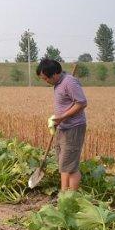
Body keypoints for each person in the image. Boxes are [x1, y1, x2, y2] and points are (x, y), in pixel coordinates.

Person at [36, 59, 88, 191]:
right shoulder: (59, 83)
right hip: (62, 127)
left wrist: (62, 117)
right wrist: (57, 119)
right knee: (63, 164)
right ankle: (64, 195)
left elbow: (81, 103)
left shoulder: (69, 82)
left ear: (54, 74)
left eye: (46, 79)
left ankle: (68, 198)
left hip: (73, 128)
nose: (45, 81)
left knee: (70, 166)